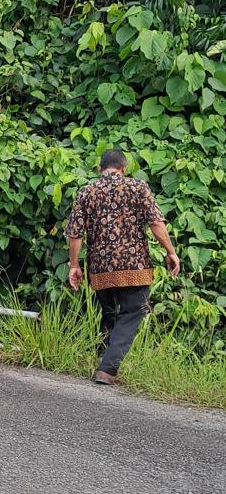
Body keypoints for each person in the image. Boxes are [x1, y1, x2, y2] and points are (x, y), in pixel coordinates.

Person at [66, 148, 180, 384]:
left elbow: (75, 234)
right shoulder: (138, 187)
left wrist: (74, 265)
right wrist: (171, 252)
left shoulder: (87, 192)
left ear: (100, 169)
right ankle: (107, 370)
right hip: (134, 266)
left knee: (109, 315)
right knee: (133, 312)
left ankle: (101, 363)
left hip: (100, 268)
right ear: (124, 169)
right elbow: (156, 224)